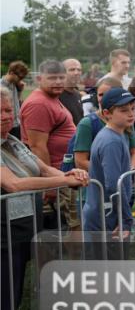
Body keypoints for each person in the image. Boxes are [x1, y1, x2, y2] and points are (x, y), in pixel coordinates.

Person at [1, 86, 88, 310]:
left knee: (18, 293)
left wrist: (67, 175)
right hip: (4, 236)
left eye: (8, 110)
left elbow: (41, 168)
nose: (6, 116)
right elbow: (13, 184)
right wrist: (63, 181)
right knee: (6, 296)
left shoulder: (13, 140)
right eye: (0, 112)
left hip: (25, 228)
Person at [20, 61, 80, 230]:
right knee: (71, 226)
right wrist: (51, 185)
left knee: (70, 225)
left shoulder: (51, 98)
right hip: (57, 174)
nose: (59, 82)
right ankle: (72, 256)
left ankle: (73, 255)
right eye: (52, 78)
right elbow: (37, 147)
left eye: (61, 77)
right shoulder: (39, 104)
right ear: (39, 78)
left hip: (63, 173)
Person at [84, 88, 135, 235]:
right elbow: (114, 185)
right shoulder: (111, 141)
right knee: (108, 257)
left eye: (133, 108)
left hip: (107, 211)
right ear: (107, 113)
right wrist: (125, 220)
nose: (131, 113)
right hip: (107, 215)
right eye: (123, 110)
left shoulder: (116, 135)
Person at [68, 77, 135, 172]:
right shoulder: (87, 123)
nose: (103, 98)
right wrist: (111, 173)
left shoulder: (125, 120)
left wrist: (130, 170)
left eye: (108, 94)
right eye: (100, 94)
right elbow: (80, 161)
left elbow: (134, 153)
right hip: (96, 183)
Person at [0, 61, 29, 139]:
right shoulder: (1, 86)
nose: (21, 80)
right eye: (20, 77)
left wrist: (20, 90)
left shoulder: (14, 85)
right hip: (5, 126)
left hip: (17, 124)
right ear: (12, 73)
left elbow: (18, 103)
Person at [60, 58, 85, 125]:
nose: (76, 73)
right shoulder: (56, 96)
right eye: (72, 70)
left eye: (79, 70)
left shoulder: (78, 95)